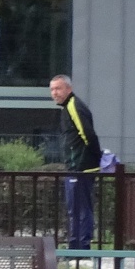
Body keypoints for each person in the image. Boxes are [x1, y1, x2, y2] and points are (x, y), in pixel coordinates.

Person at [49, 74, 102, 250]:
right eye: (52, 89)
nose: (54, 93)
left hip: (79, 168)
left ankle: (80, 248)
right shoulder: (69, 107)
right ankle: (77, 247)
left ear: (68, 89)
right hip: (78, 166)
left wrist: (93, 159)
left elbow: (88, 135)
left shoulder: (73, 106)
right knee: (77, 209)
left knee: (78, 210)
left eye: (58, 88)